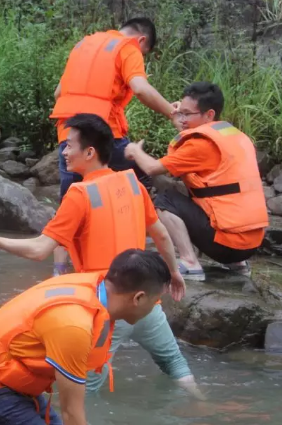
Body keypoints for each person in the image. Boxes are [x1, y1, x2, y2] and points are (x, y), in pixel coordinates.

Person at [0, 113, 204, 399]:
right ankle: (200, 407)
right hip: (144, 299)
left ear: (89, 152)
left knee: (84, 391)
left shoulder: (79, 195)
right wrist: (173, 274)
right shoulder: (132, 184)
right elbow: (161, 235)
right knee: (175, 364)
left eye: (68, 146)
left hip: (106, 306)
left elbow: (39, 249)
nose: (64, 152)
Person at [0, 249, 171, 425]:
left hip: (17, 385)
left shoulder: (98, 291)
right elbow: (71, 411)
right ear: (139, 298)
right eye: (156, 301)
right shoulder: (75, 325)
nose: (155, 307)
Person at [49, 17, 179, 275]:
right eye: (144, 53)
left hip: (69, 135)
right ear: (141, 40)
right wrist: (172, 114)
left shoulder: (83, 45)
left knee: (69, 201)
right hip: (103, 134)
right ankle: (131, 251)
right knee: (139, 180)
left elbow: (57, 93)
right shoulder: (127, 47)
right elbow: (140, 88)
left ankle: (59, 270)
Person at [124, 82, 269, 281]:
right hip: (252, 243)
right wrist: (181, 119)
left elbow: (151, 168)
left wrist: (134, 150)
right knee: (208, 195)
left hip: (227, 246)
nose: (181, 118)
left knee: (166, 199)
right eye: (179, 112)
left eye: (186, 114)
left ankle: (190, 263)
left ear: (209, 114)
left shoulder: (201, 145)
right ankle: (238, 265)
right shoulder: (235, 136)